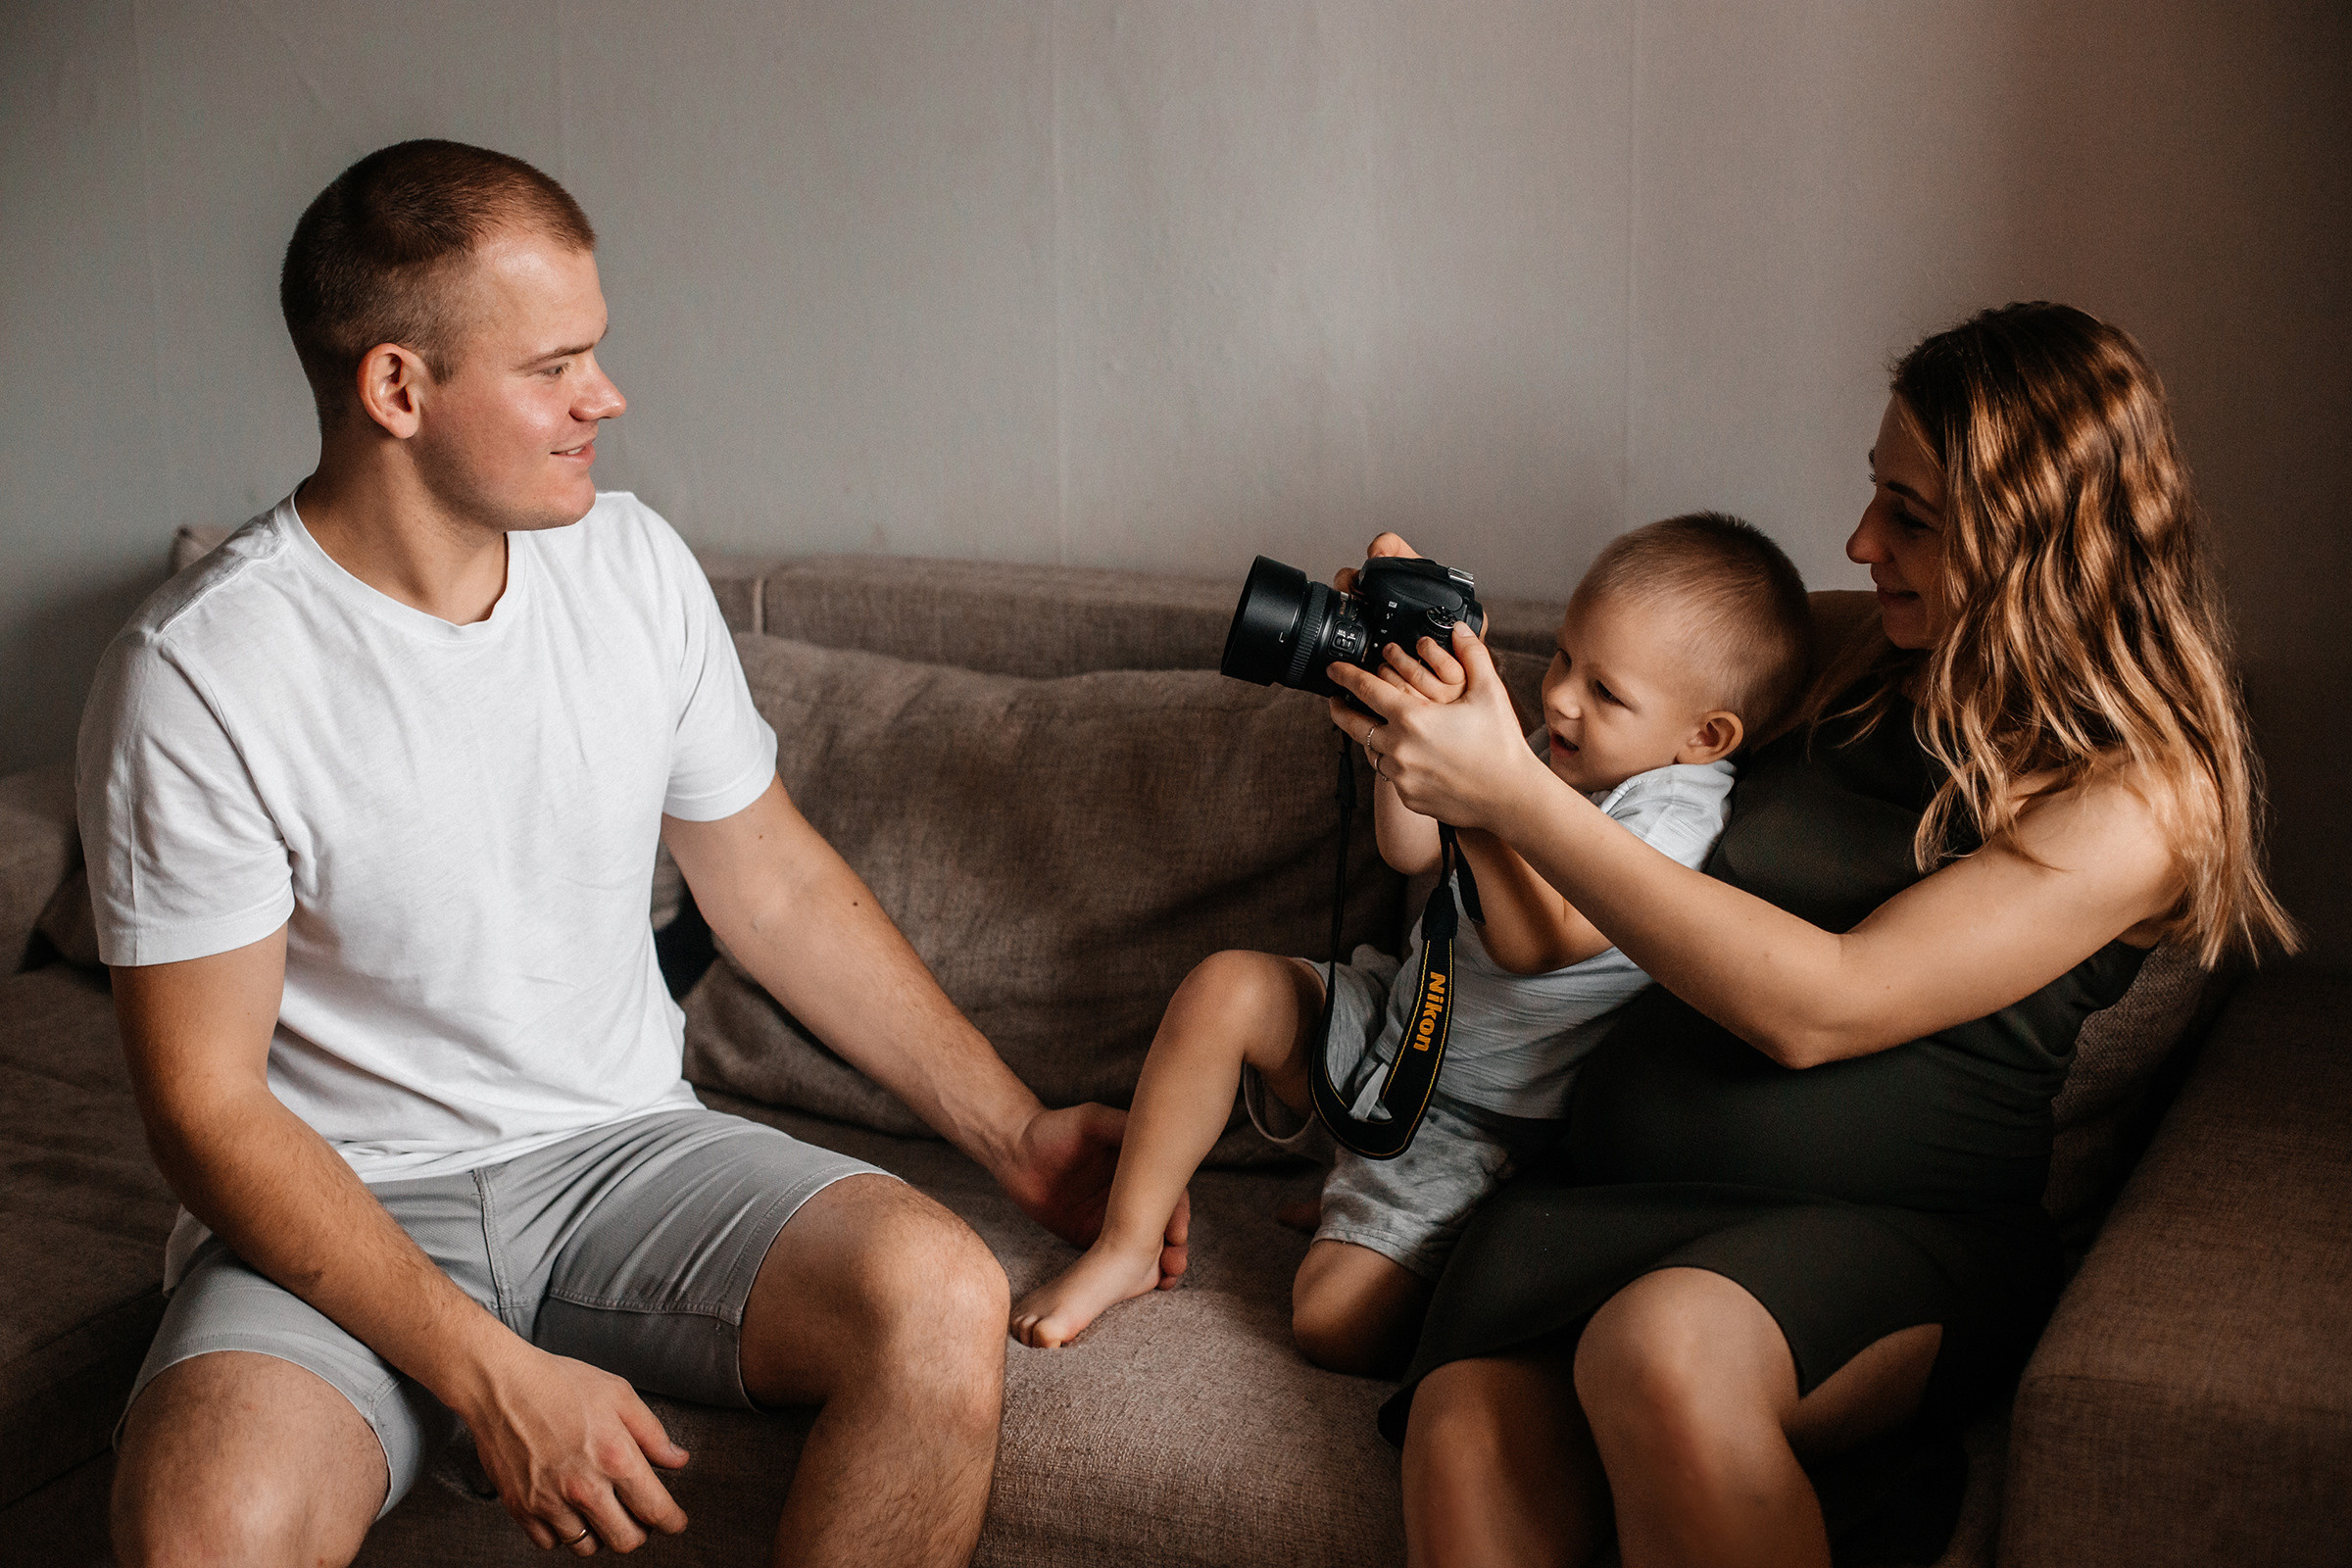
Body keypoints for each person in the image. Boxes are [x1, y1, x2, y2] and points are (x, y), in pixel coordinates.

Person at [85, 140, 1181, 1568]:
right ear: (397, 389)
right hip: (347, 1192)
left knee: (937, 1292)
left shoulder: (631, 566)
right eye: (555, 367)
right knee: (199, 1525)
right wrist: (489, 1375)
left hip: (623, 1153)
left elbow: (773, 887)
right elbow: (207, 1109)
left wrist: (1017, 1132)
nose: (605, 397)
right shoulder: (201, 672)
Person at [1323, 302, 2300, 1568]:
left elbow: (1823, 1005)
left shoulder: (2143, 797)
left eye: (1912, 517)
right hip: (1620, 1196)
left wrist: (1514, 796)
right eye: (1873, 495)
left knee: (1660, 1352)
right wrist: (1425, 659)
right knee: (1462, 1425)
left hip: (1887, 1227)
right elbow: (1665, 666)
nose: (1858, 542)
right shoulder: (1863, 651)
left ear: (2034, 541)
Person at [1010, 514, 1812, 1370]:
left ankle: (1423, 1235)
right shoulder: (1560, 751)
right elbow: (1410, 849)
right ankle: (1127, 1247)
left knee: (1329, 1324)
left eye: (1605, 691)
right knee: (1226, 989)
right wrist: (1407, 720)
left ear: (1707, 736)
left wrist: (1491, 787)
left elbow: (1546, 940)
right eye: (1567, 657)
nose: (1562, 694)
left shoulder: (1679, 809)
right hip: (1402, 1030)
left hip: (1486, 1123)